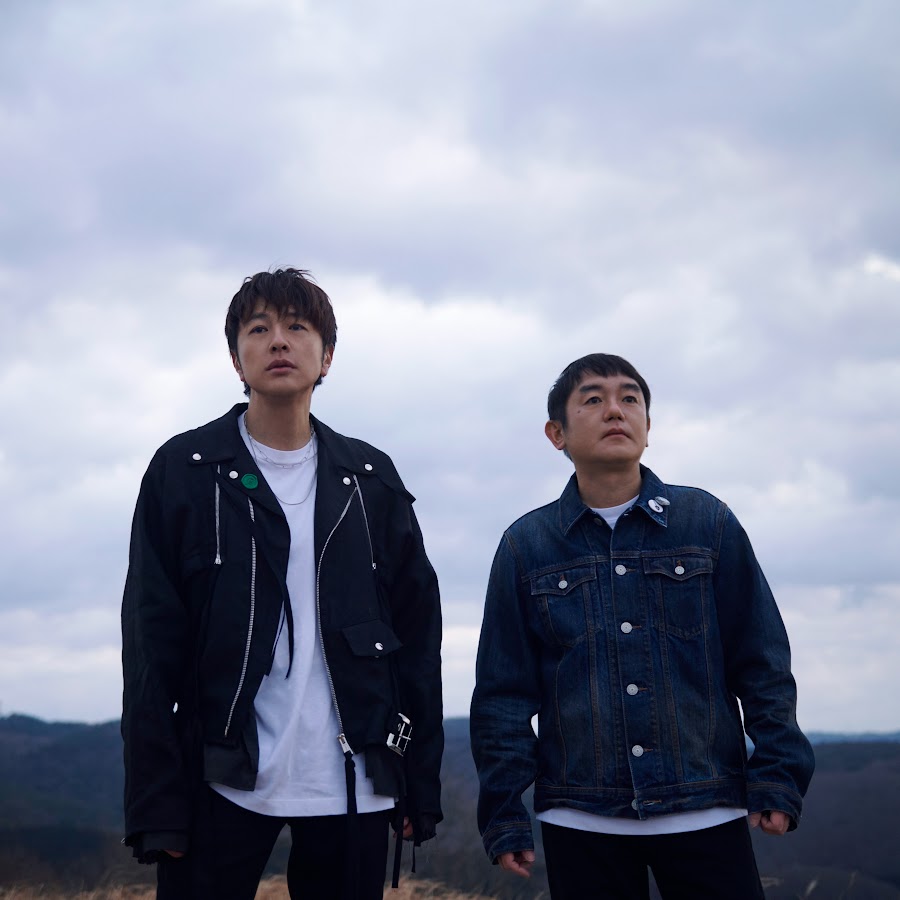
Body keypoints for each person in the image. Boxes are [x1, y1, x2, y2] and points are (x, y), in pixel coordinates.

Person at [122, 268, 443, 900]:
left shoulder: (370, 478)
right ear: (235, 357)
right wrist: (156, 802)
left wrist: (418, 783)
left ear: (327, 356)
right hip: (220, 772)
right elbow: (150, 645)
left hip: (354, 778)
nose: (278, 341)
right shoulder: (185, 470)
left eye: (297, 327)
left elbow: (417, 637)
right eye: (258, 328)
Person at [470, 353, 814, 899]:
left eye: (630, 399)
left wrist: (777, 773)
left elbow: (762, 660)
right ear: (556, 433)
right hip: (580, 817)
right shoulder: (526, 546)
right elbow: (502, 696)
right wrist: (505, 811)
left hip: (706, 806)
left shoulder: (706, 522)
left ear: (648, 428)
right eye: (593, 399)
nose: (616, 410)